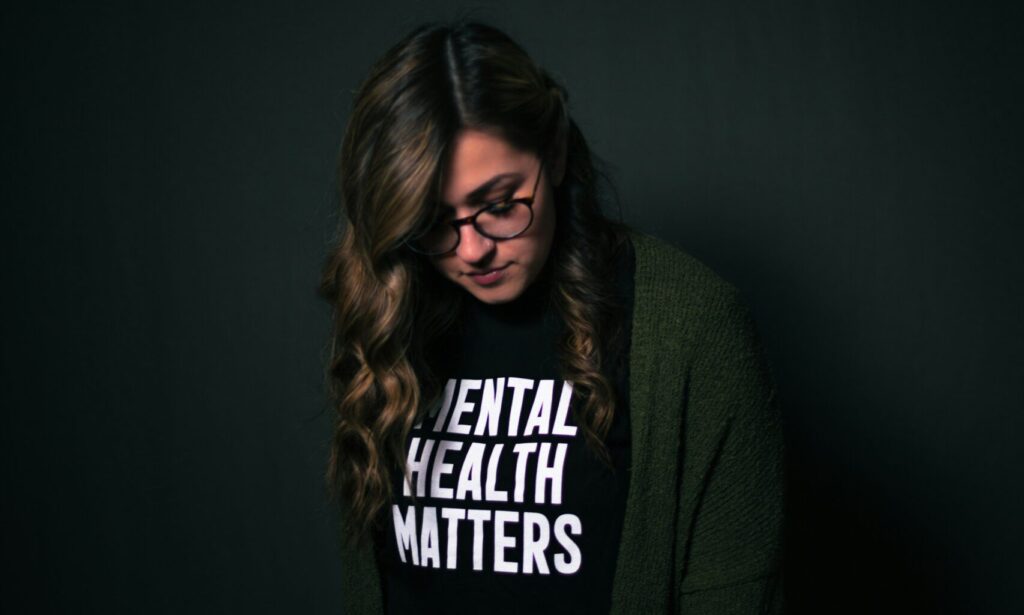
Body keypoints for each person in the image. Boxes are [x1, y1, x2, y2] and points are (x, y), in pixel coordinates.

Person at [319, 20, 783, 615]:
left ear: (556, 152)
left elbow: (733, 594)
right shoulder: (389, 312)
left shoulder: (692, 328)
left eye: (500, 204)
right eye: (433, 220)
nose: (471, 250)